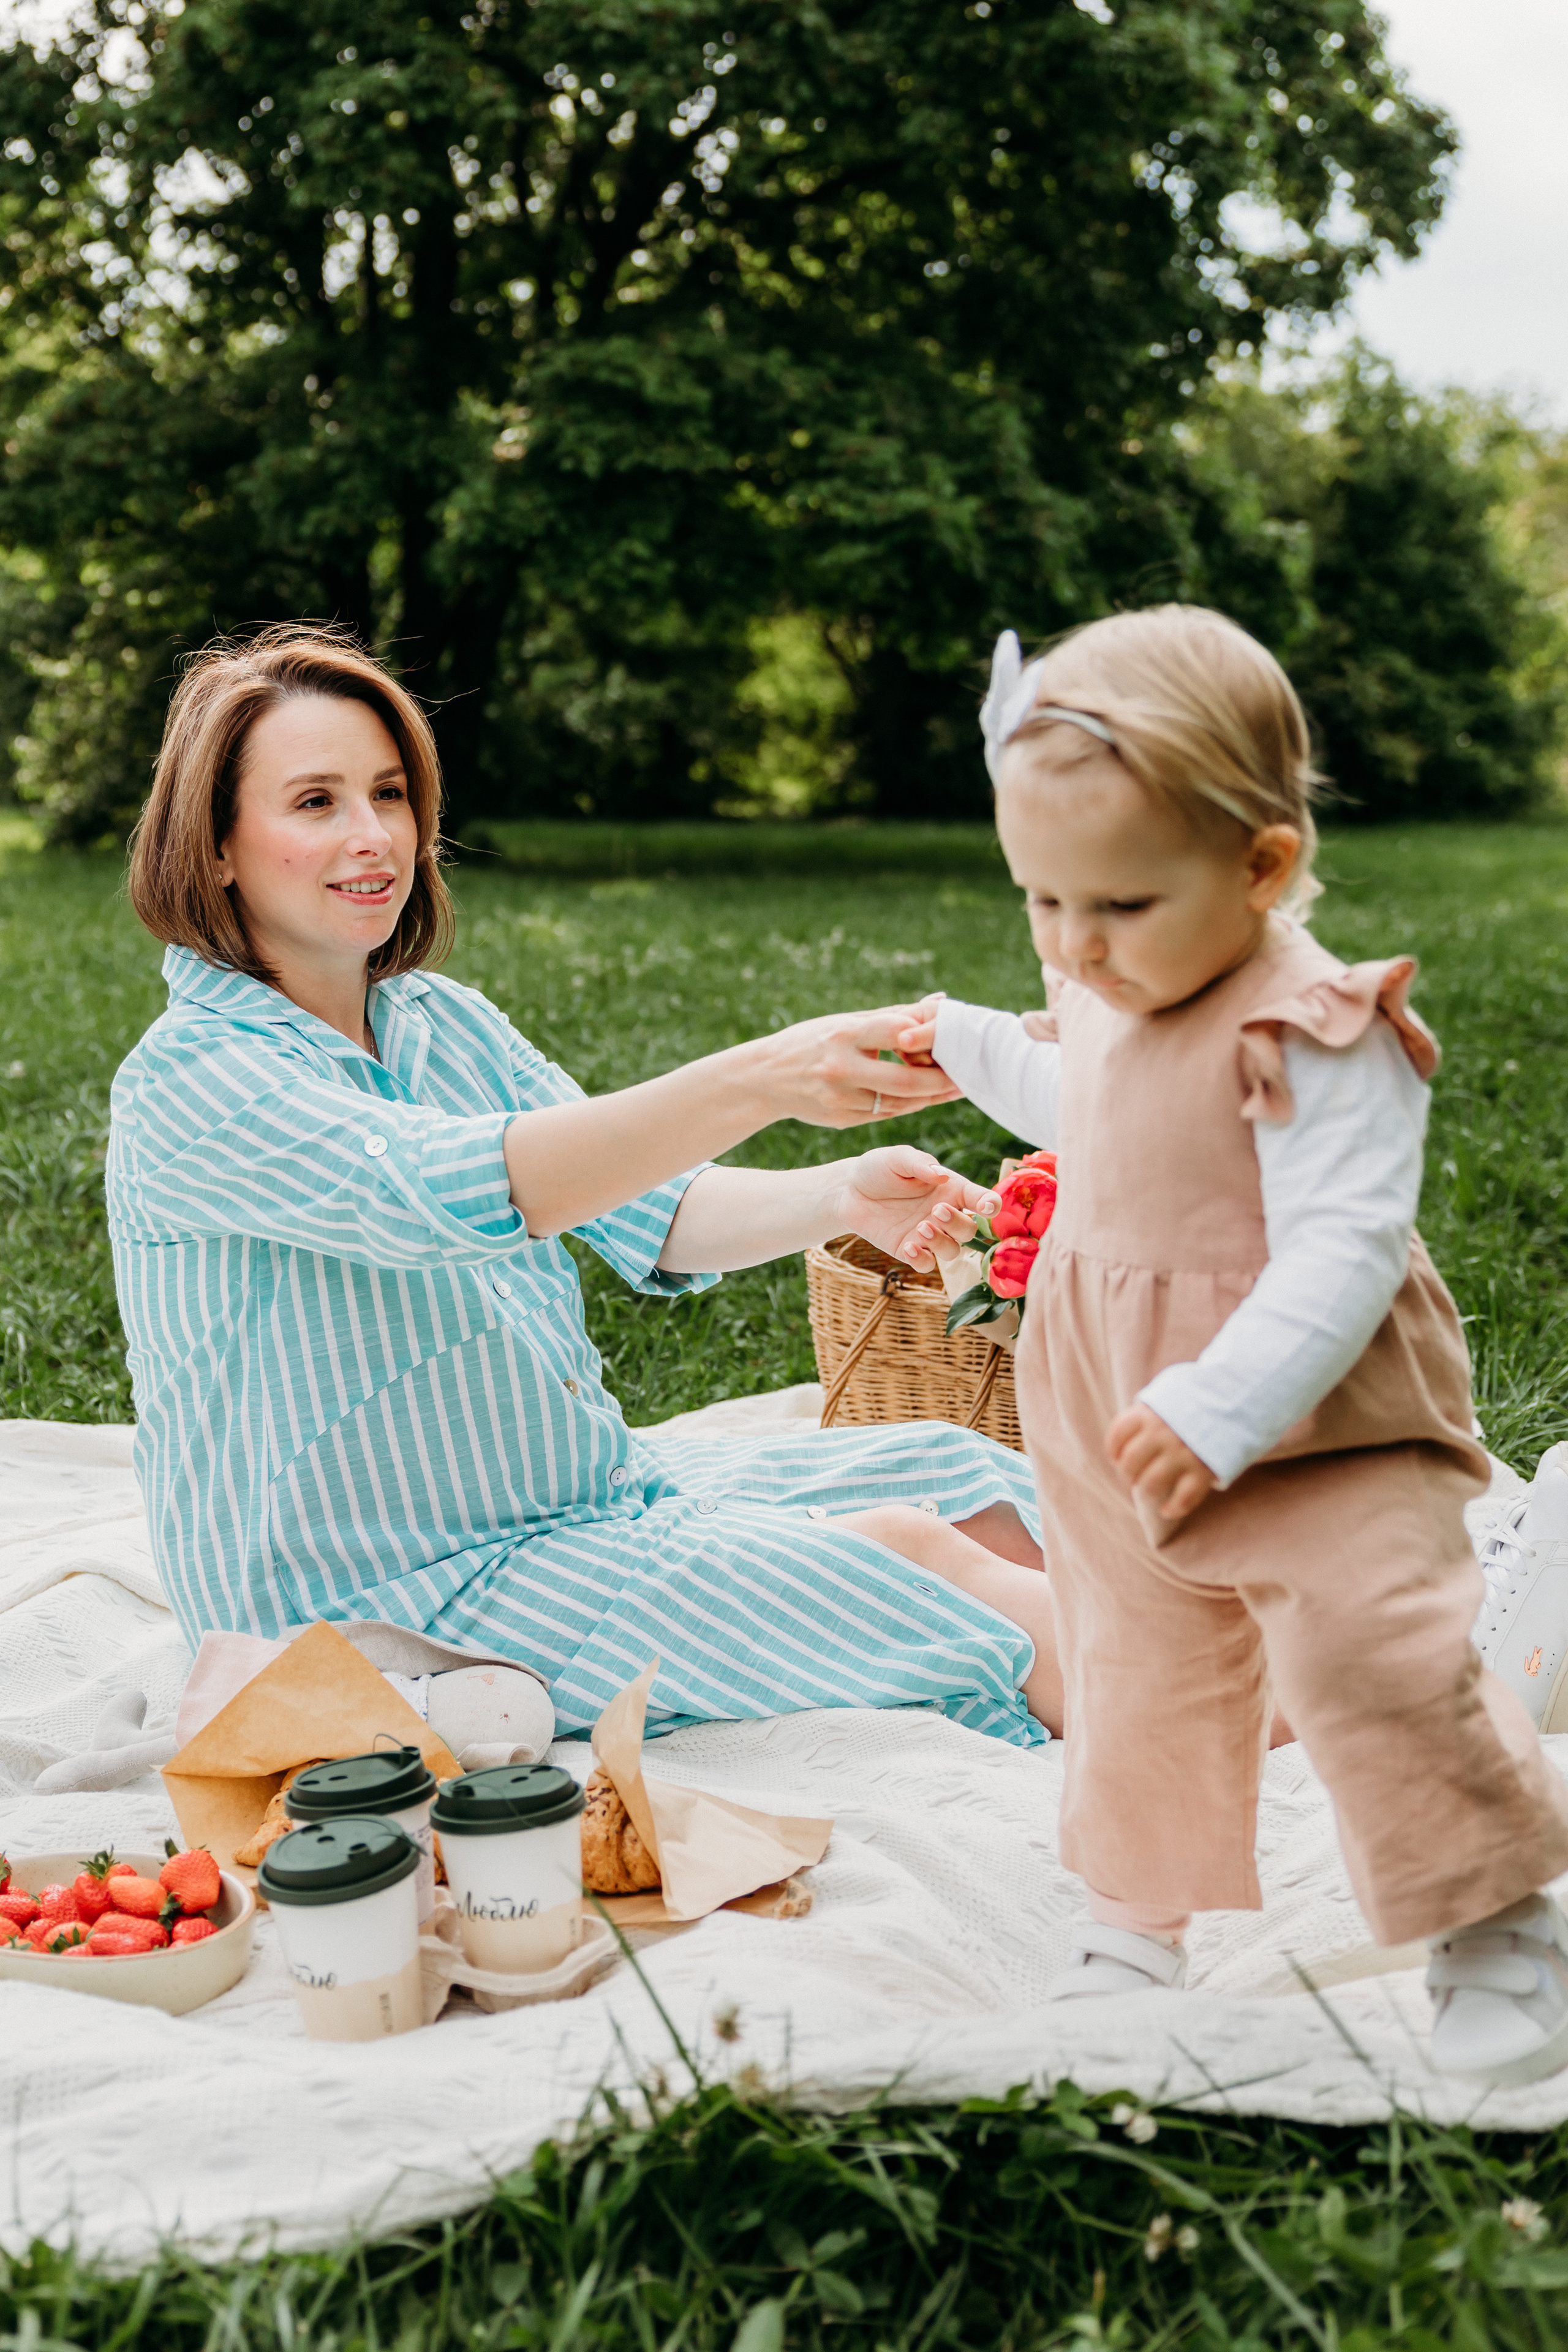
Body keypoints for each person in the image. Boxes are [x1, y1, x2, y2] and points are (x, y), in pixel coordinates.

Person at [108, 624, 1065, 1755]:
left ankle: (1199, 1638)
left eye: (388, 794)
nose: (372, 837)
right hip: (390, 1603)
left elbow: (650, 1209)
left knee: (968, 1477)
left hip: (585, 1496)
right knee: (914, 1558)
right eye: (314, 803)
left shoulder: (439, 1021)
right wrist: (768, 1073)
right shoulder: (191, 1082)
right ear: (214, 847)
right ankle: (1227, 1715)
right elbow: (460, 1192)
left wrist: (845, 1195)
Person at [895, 606, 1568, 2087]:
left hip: (1305, 1405)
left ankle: (1495, 1923)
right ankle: (1132, 1926)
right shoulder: (1116, 975)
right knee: (1132, 1655)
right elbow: (1089, 1100)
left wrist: (1223, 1402)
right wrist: (963, 1042)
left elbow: (1335, 1251)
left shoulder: (1318, 1030)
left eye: (1114, 906)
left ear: (1259, 864)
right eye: (1037, 903)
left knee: (1364, 1651)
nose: (1073, 945)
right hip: (1110, 1399)